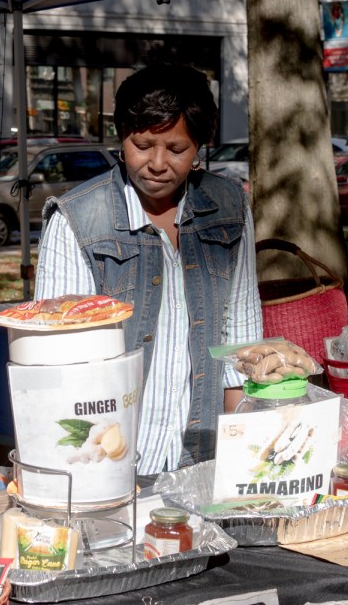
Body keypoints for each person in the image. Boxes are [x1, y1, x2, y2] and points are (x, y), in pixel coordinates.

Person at [35, 64, 263, 474]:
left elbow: (242, 348)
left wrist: (242, 461)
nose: (157, 163)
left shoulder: (230, 207)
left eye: (176, 150)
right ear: (122, 138)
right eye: (143, 145)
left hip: (203, 458)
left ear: (199, 148)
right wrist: (91, 473)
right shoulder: (77, 221)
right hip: (109, 462)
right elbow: (59, 368)